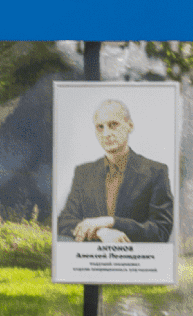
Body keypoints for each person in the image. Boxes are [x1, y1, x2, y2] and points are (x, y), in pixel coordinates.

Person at [57, 98, 174, 243]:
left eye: (113, 125)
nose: (106, 133)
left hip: (135, 263)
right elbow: (64, 222)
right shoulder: (83, 173)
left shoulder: (155, 172)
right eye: (100, 127)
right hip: (91, 262)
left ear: (129, 126)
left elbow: (161, 231)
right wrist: (100, 231)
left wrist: (111, 222)